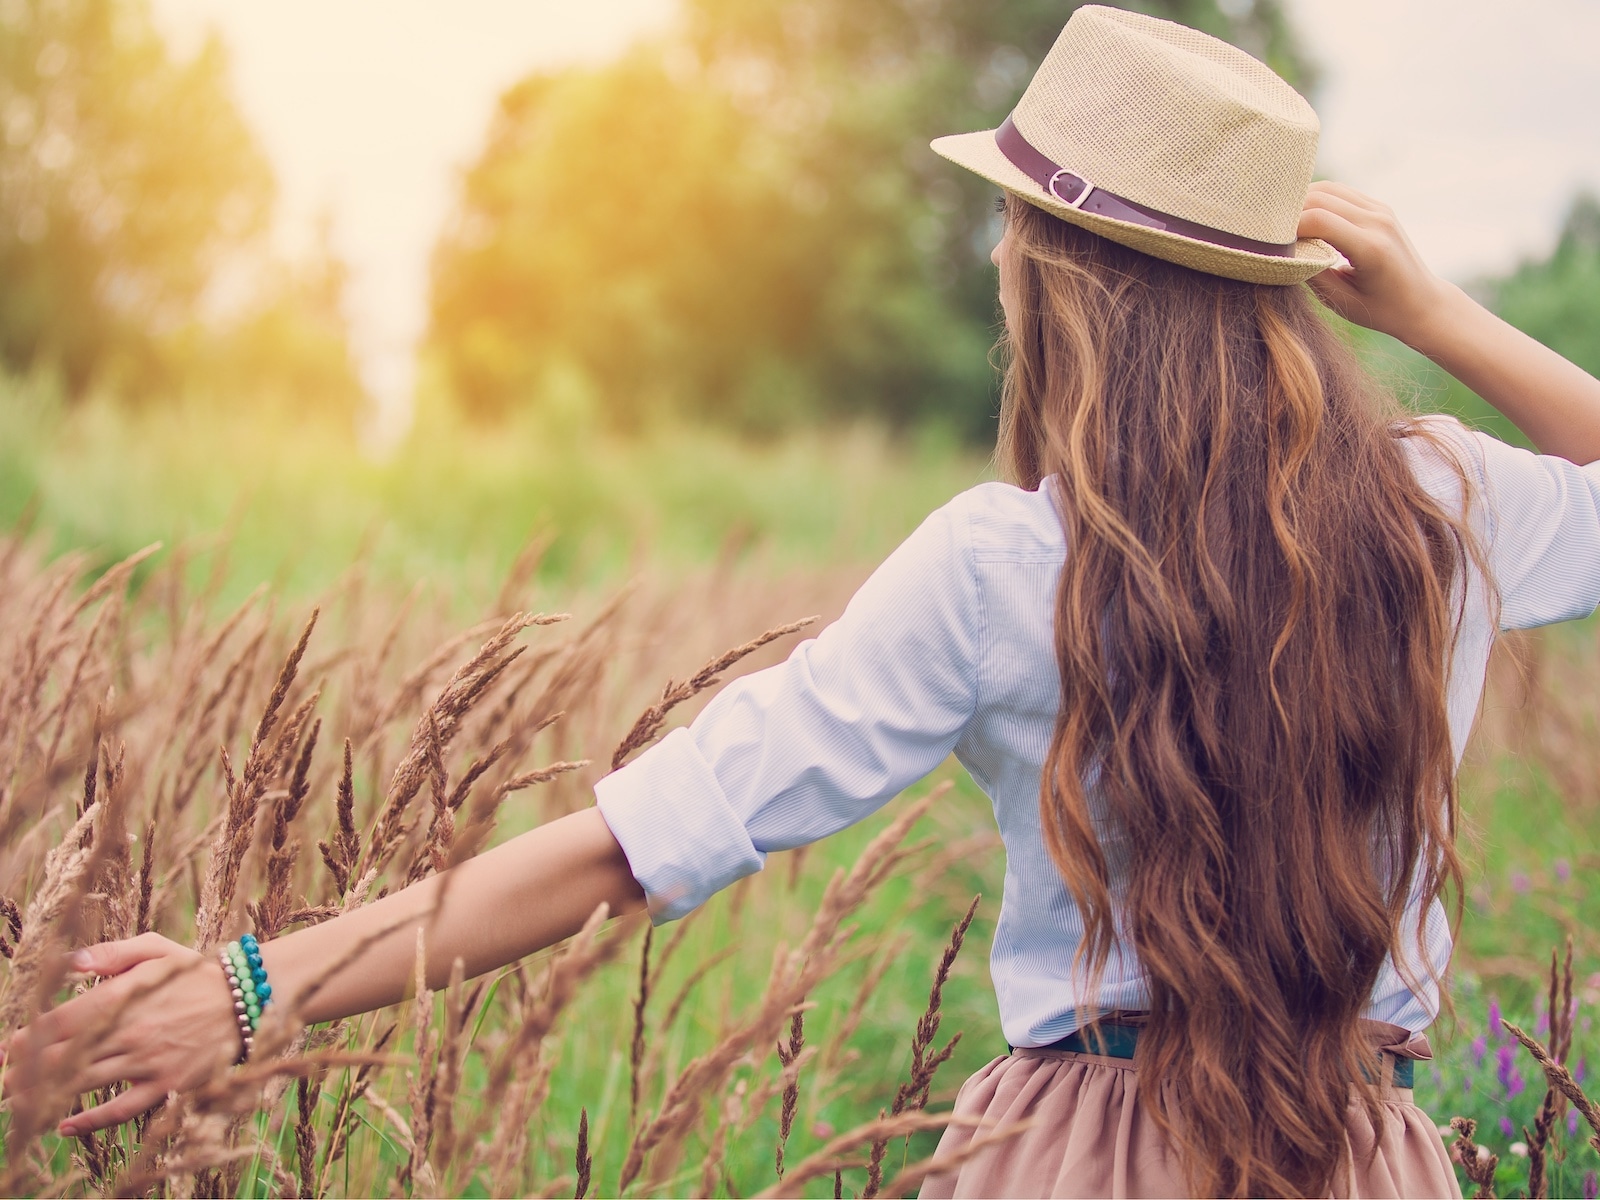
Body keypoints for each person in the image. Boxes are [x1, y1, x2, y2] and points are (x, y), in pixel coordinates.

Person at [8, 7, 1600, 1196]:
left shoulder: (1008, 562)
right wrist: (1446, 313)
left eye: (1012, 221)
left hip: (1087, 1154)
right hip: (1367, 1153)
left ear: (1051, 265)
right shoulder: (1438, 506)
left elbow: (637, 844)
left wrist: (250, 987)